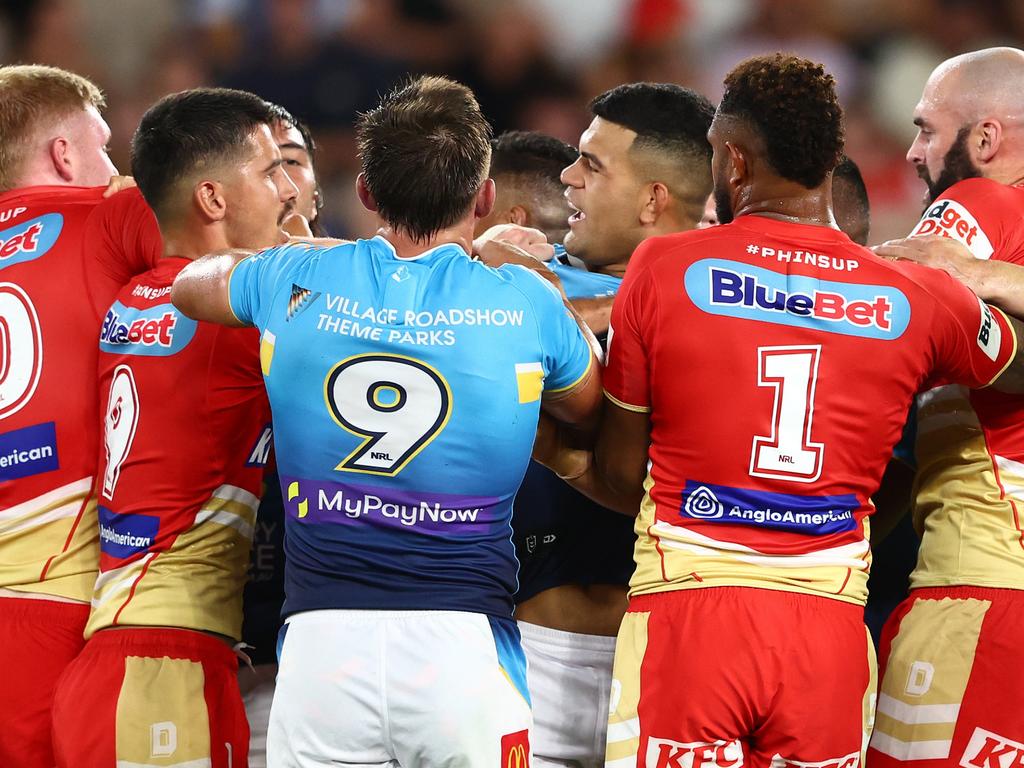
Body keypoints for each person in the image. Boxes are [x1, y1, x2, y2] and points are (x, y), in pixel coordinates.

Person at [535, 53, 1024, 768]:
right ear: (834, 160)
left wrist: (554, 450)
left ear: (731, 160)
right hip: (826, 632)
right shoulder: (912, 292)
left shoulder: (665, 270)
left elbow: (622, 469)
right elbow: (1012, 368)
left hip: (692, 613)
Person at [171, 75, 602, 767]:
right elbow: (586, 406)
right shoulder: (525, 298)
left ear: (366, 193)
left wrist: (292, 257)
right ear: (484, 197)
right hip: (463, 649)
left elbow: (188, 285)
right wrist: (507, 269)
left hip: (319, 651)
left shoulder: (294, 279)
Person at [49, 87, 296, 768]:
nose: (289, 194)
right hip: (160, 666)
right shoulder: (233, 321)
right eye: (271, 170)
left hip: (143, 655)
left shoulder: (134, 296)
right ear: (213, 201)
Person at [482, 84, 715, 768]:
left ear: (653, 199)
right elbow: (478, 270)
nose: (568, 177)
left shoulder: (725, 302)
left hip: (666, 657)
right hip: (531, 662)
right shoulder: (528, 276)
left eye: (593, 164)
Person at [866, 47, 1024, 767]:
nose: (913, 151)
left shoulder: (978, 203)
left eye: (927, 130)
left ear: (984, 140)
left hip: (982, 597)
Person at [0, 64, 160, 767]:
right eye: (103, 147)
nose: (114, 167)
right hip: (61, 601)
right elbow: (252, 257)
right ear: (64, 155)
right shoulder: (107, 218)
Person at [241, 101, 327, 768]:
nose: (278, 185)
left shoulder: (367, 294)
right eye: (259, 166)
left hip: (319, 652)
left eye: (289, 162)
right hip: (206, 639)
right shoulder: (167, 299)